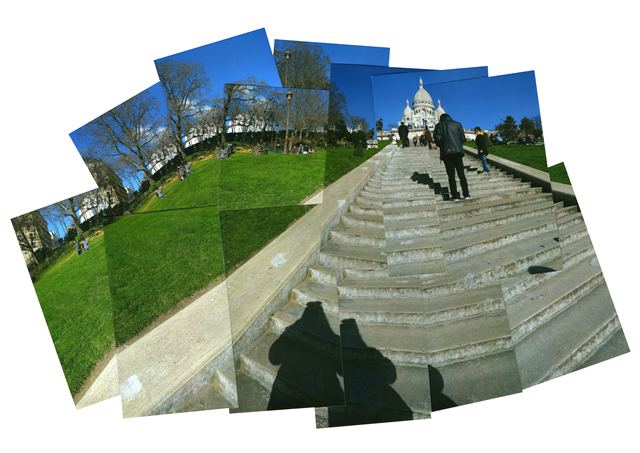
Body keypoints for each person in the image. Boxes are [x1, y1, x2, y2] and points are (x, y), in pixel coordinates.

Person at [434, 113, 470, 201]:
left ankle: (455, 195)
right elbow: (463, 139)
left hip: (447, 153)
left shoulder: (439, 125)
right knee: (461, 174)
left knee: (451, 175)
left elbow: (437, 139)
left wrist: (444, 144)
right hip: (458, 152)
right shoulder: (458, 124)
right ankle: (466, 194)